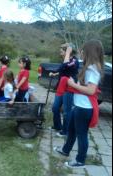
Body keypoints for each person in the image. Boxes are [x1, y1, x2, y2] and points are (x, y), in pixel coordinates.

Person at [54, 39, 104, 168]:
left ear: (89, 52)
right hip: (79, 106)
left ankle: (80, 160)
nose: (81, 52)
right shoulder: (89, 67)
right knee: (71, 130)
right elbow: (86, 86)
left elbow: (91, 90)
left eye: (83, 50)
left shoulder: (92, 69)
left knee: (81, 134)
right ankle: (65, 150)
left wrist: (72, 84)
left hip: (84, 108)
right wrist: (76, 84)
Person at [49, 43, 79, 137]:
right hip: (61, 87)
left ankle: (65, 131)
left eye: (62, 50)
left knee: (67, 111)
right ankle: (57, 126)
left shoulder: (74, 61)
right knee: (55, 107)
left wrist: (67, 54)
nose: (60, 51)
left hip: (69, 88)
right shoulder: (65, 60)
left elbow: (66, 66)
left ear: (67, 51)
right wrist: (55, 74)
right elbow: (62, 68)